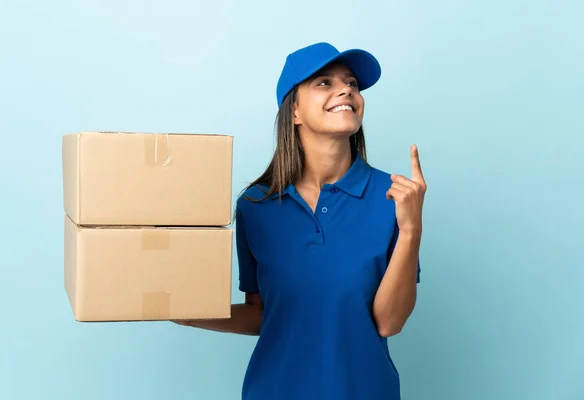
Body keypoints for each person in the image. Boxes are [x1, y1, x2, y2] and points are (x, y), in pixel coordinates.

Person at [173, 42, 426, 400]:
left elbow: (389, 322)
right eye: (324, 82)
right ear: (294, 111)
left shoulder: (395, 197)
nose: (346, 90)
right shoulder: (255, 206)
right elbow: (263, 314)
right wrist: (187, 314)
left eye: (351, 83)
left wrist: (411, 229)